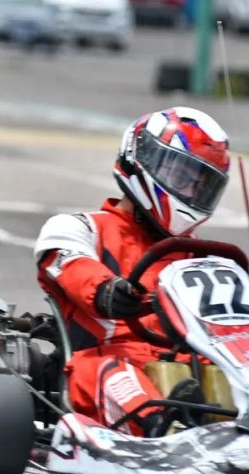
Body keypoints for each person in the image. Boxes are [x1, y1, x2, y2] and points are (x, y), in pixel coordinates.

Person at [34, 106, 231, 437]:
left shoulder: (203, 258)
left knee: (233, 371)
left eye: (201, 186)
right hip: (106, 363)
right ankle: (164, 426)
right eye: (183, 178)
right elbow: (74, 268)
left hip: (188, 367)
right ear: (141, 158)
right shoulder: (79, 228)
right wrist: (107, 291)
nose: (191, 193)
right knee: (115, 374)